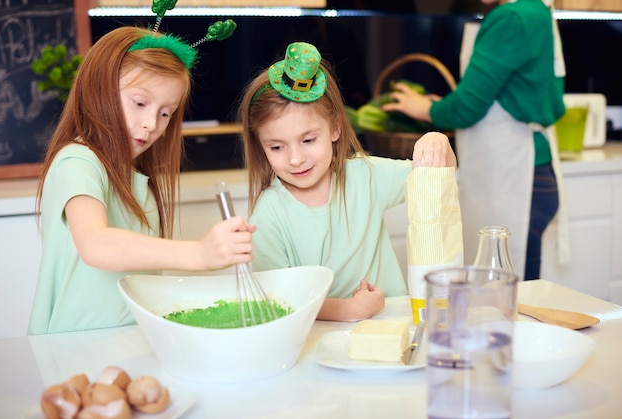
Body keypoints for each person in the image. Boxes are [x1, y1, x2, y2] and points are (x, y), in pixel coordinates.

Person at [27, 25, 255, 335]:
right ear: (100, 89)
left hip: (125, 342)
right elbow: (95, 244)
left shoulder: (137, 180)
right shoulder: (77, 160)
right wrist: (199, 253)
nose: (151, 124)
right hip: (73, 348)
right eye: (139, 103)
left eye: (166, 113)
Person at [237, 42, 456, 322]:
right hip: (317, 337)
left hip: (393, 322)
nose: (295, 159)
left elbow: (440, 175)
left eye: (308, 140)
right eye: (277, 147)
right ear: (261, 146)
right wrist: (348, 310)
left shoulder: (366, 176)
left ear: (335, 128)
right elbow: (277, 300)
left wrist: (438, 142)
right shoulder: (268, 214)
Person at [382, 0, 567, 280]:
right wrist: (446, 103)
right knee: (516, 293)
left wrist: (425, 109)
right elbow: (502, 94)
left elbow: (469, 106)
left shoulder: (511, 17)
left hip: (516, 176)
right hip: (535, 172)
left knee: (503, 294)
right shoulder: (536, 10)